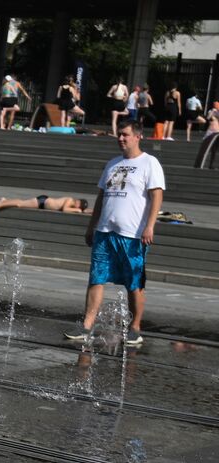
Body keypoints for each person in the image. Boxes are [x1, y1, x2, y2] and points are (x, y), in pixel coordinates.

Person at [65, 120, 164, 347]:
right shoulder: (112, 164)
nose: (121, 138)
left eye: (125, 134)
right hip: (105, 232)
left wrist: (150, 226)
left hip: (133, 235)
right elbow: (101, 198)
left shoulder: (150, 163)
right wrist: (92, 226)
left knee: (134, 282)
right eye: (119, 134)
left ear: (138, 136)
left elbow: (156, 196)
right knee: (96, 278)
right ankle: (87, 325)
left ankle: (135, 328)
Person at [0, 194, 88, 215]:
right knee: (20, 204)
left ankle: (5, 200)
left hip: (43, 205)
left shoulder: (72, 205)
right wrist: (77, 210)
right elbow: (65, 209)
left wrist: (85, 211)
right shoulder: (70, 200)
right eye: (79, 204)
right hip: (43, 201)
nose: (78, 206)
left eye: (80, 206)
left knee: (21, 203)